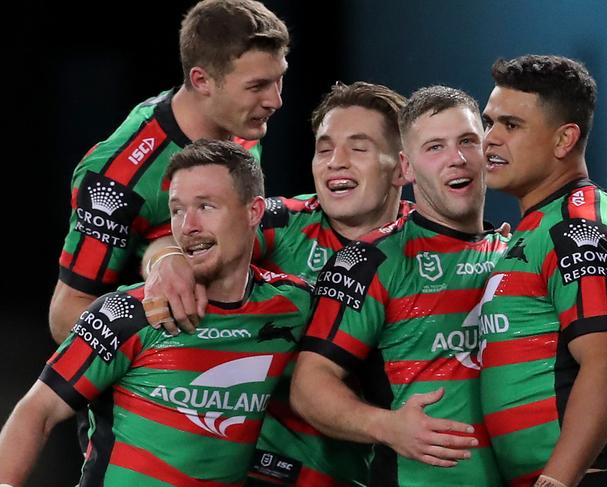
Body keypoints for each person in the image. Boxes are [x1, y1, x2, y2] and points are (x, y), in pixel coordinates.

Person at [0, 140, 312, 486]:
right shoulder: (127, 313)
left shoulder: (292, 306)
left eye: (206, 206)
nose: (187, 226)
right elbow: (36, 412)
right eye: (177, 210)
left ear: (254, 212)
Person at [148, 81, 412, 486]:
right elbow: (194, 235)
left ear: (401, 167)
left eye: (357, 148)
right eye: (324, 149)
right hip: (259, 468)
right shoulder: (283, 222)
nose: (335, 162)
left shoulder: (431, 248)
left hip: (366, 471)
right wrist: (165, 261)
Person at [290, 85, 507, 486]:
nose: (456, 159)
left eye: (467, 142)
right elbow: (308, 386)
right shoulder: (370, 261)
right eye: (435, 147)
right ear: (406, 168)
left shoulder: (517, 253)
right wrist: (388, 426)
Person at [49, 0, 289, 345]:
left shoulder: (239, 121)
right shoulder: (116, 177)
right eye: (258, 86)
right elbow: (67, 313)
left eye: (279, 80)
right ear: (202, 80)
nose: (275, 101)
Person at [479, 54, 607, 486]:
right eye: (489, 122)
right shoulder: (545, 223)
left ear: (563, 140)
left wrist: (556, 480)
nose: (490, 139)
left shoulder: (576, 229)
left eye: (511, 126)